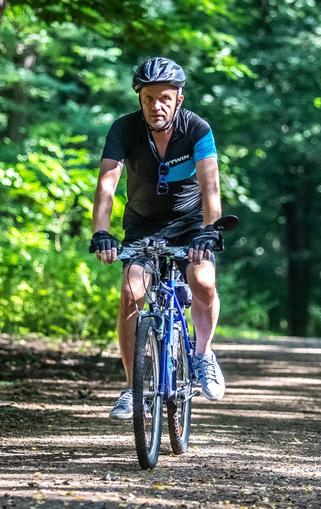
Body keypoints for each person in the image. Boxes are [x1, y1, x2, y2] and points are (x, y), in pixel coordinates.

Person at [90, 57, 225, 419]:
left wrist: (211, 230)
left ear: (179, 98)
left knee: (203, 282)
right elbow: (107, 183)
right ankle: (134, 388)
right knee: (131, 293)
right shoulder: (124, 129)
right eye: (148, 98)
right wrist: (100, 232)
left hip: (191, 224)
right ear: (140, 99)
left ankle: (202, 354)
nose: (156, 106)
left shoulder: (197, 129)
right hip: (143, 224)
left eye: (164, 97)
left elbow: (210, 184)